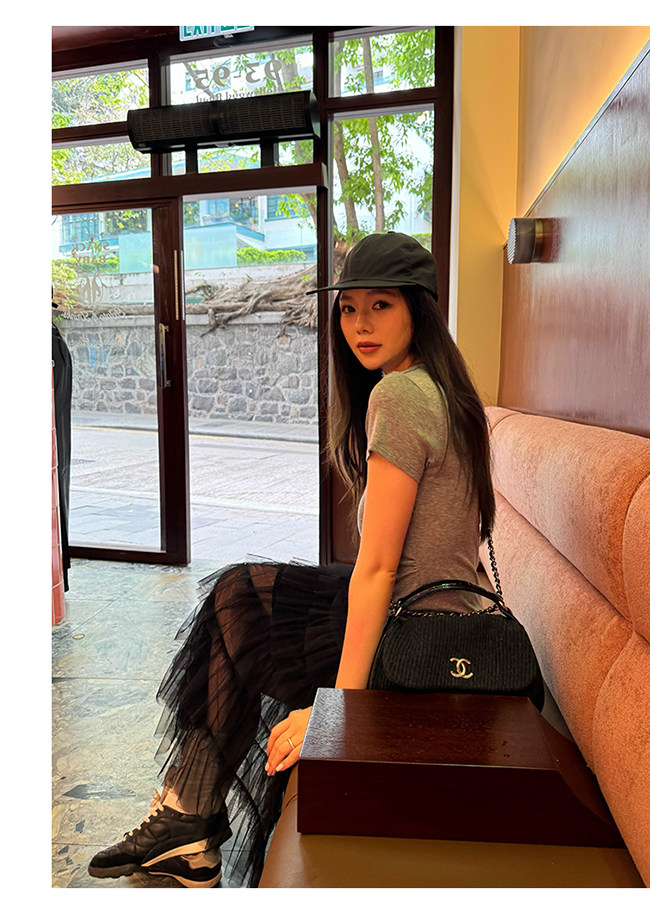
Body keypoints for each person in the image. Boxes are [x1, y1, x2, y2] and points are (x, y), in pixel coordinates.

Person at [87, 232, 495, 888]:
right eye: (348, 308)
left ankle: (188, 820)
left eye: (380, 306)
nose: (359, 325)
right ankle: (188, 817)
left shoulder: (401, 397)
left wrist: (338, 711)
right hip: (439, 617)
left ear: (419, 309)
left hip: (416, 638)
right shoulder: (443, 390)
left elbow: (379, 570)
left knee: (239, 601)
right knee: (239, 594)